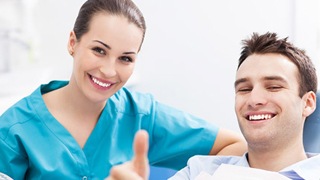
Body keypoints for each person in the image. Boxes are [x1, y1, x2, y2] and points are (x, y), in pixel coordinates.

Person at [0, 0, 246, 179]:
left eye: (125, 58)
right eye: (99, 50)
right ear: (73, 42)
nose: (109, 70)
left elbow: (235, 146)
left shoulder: (142, 116)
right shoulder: (14, 130)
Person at [107, 32, 320, 180]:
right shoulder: (199, 172)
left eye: (273, 87)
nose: (254, 100)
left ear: (308, 103)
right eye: (244, 89)